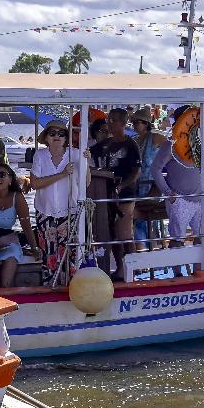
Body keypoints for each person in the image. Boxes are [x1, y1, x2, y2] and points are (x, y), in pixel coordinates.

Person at [89, 108, 140, 276]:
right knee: (112, 234)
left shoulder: (130, 144)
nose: (109, 123)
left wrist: (121, 186)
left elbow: (136, 172)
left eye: (113, 120)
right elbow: (87, 155)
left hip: (125, 195)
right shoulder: (103, 144)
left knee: (125, 233)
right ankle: (120, 268)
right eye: (108, 120)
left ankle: (131, 269)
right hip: (105, 194)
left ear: (123, 123)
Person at [31, 121, 81, 285]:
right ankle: (49, 287)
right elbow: (34, 184)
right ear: (46, 137)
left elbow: (86, 182)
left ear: (66, 138)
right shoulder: (40, 155)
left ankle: (70, 287)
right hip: (45, 212)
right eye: (52, 133)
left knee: (70, 254)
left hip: (70, 212)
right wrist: (62, 174)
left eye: (61, 134)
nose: (57, 137)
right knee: (48, 254)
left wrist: (86, 162)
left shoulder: (76, 154)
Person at [152, 106, 204, 251]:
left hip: (201, 197)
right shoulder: (170, 145)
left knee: (203, 239)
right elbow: (155, 169)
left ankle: (201, 265)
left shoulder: (201, 143)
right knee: (177, 240)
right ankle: (177, 267)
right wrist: (168, 193)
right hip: (179, 198)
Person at [0, 165, 37, 289]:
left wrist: (34, 247)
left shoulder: (17, 197)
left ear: (10, 179)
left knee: (6, 282)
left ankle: (4, 298)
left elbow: (26, 225)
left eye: (2, 175)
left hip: (9, 241)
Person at [131, 107, 167, 248]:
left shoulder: (156, 137)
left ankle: (152, 246)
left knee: (149, 217)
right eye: (133, 122)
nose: (134, 125)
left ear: (146, 123)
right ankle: (143, 246)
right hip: (137, 185)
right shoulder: (134, 140)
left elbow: (173, 150)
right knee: (137, 217)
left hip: (152, 184)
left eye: (137, 122)